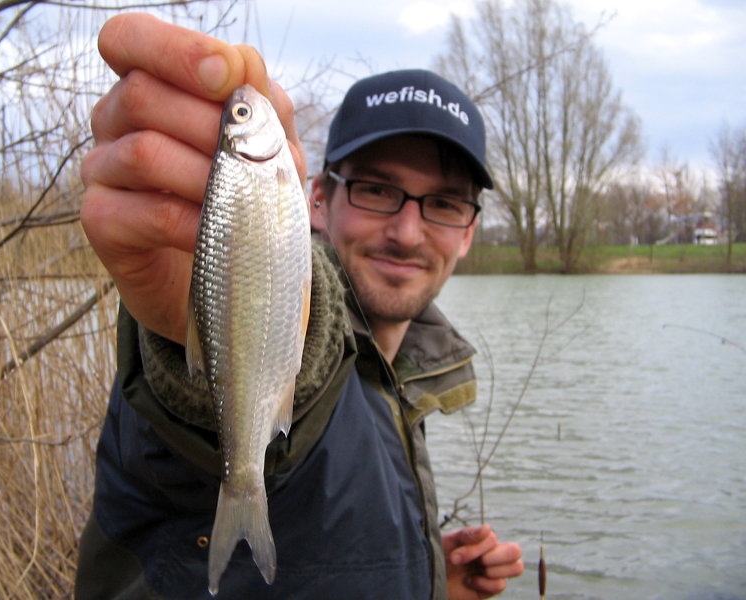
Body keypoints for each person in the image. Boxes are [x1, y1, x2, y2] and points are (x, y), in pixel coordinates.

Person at [77, 13, 524, 600]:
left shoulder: (418, 374)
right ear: (316, 198)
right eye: (377, 189)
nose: (408, 232)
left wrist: (432, 578)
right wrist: (179, 328)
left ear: (467, 232)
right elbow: (220, 420)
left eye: (443, 202)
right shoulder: (314, 357)